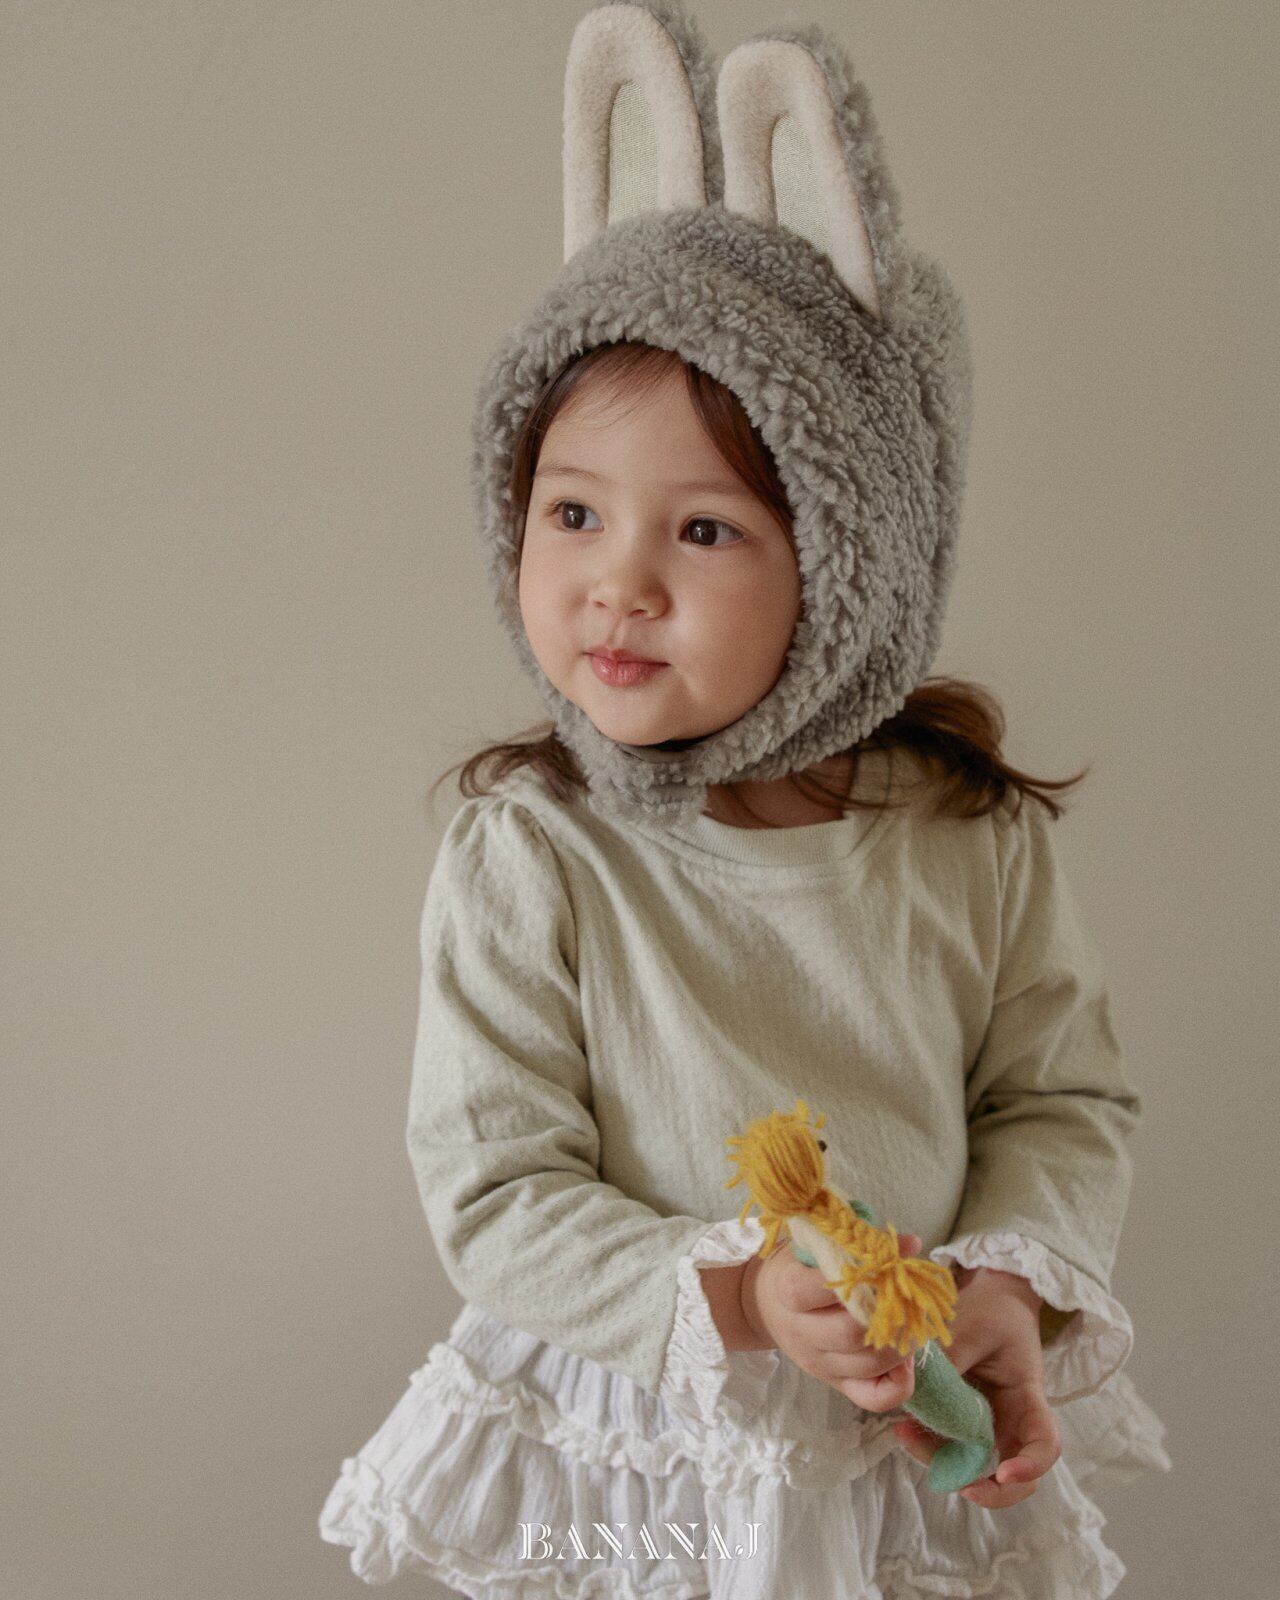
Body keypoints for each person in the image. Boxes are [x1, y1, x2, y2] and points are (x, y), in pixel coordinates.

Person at [319, 4, 1170, 1594]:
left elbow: (1060, 1105)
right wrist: (736, 1293)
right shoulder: (537, 853)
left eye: (703, 532)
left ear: (852, 566)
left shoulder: (963, 838)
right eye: (573, 512)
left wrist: (1008, 1288)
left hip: (904, 1435)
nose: (619, 584)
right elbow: (497, 1189)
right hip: (646, 1439)